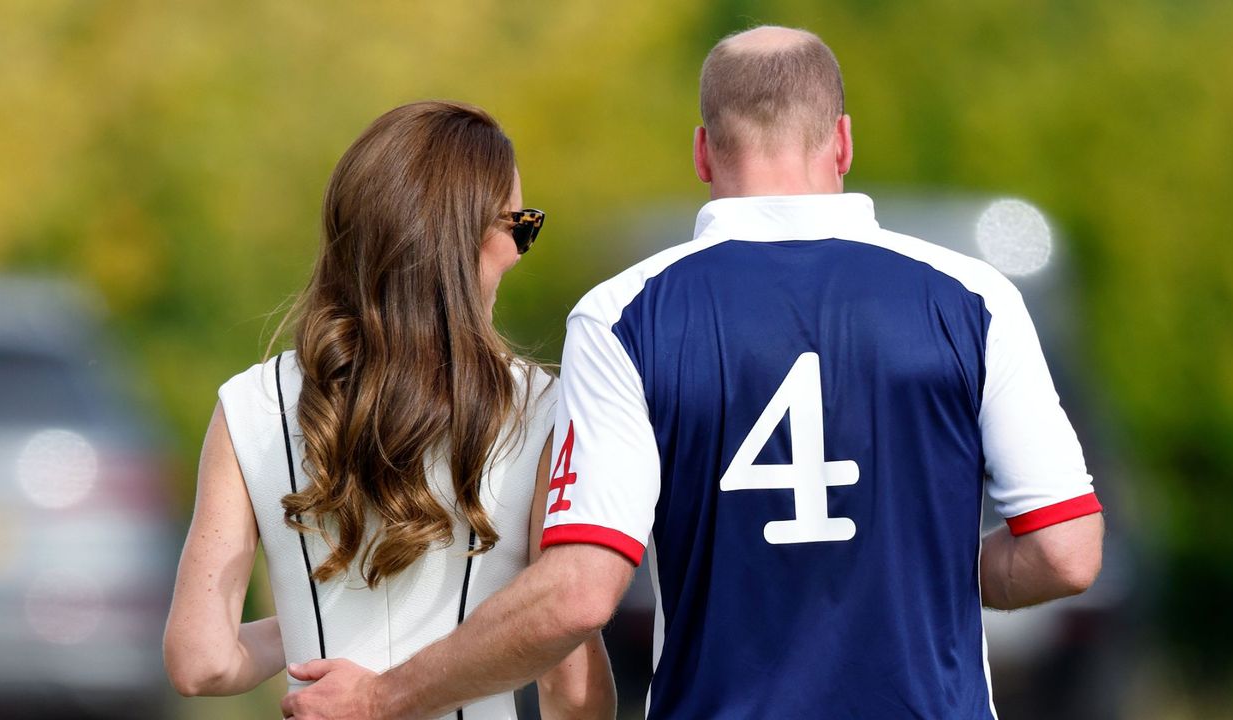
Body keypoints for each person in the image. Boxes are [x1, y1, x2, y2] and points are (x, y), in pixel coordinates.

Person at [281, 27, 1105, 720]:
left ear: (704, 153)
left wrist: (384, 697)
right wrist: (919, 572)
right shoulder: (974, 295)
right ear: (844, 141)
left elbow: (577, 594)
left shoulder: (624, 314)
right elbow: (1068, 552)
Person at [162, 100, 615, 720]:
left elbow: (200, 661)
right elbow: (572, 689)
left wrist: (300, 630)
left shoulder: (249, 403)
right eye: (521, 226)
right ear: (468, 241)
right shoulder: (546, 409)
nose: (518, 251)